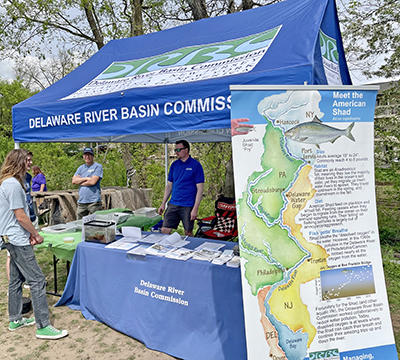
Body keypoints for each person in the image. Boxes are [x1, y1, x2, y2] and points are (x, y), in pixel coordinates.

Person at [0, 149, 68, 339]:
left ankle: (15, 319)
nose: (30, 163)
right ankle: (43, 326)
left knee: (15, 280)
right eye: (26, 161)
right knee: (37, 281)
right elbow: (20, 216)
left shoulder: (9, 183)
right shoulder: (13, 185)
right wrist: (35, 234)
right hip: (17, 240)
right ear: (17, 162)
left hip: (10, 238)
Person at [157, 140, 204, 237]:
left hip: (188, 205)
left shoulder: (196, 165)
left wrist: (195, 208)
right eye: (175, 150)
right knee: (165, 229)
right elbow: (169, 185)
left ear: (186, 150)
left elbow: (200, 189)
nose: (176, 152)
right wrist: (163, 203)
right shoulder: (174, 165)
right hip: (173, 203)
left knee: (188, 232)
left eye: (178, 149)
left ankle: (189, 251)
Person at [72, 147, 103, 219]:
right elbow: (74, 181)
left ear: (93, 156)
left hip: (94, 201)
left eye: (89, 155)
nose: (87, 157)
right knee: (79, 223)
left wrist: (80, 181)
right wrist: (86, 178)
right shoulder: (81, 168)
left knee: (97, 223)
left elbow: (93, 182)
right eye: (85, 155)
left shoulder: (98, 166)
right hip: (82, 202)